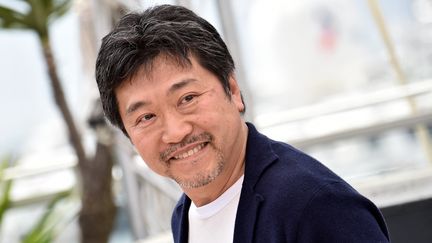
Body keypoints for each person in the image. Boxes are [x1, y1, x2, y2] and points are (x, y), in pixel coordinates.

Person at [95, 4, 390, 243]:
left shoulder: (316, 206)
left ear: (233, 90)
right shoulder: (185, 215)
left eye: (187, 98)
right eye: (146, 117)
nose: (176, 132)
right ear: (128, 135)